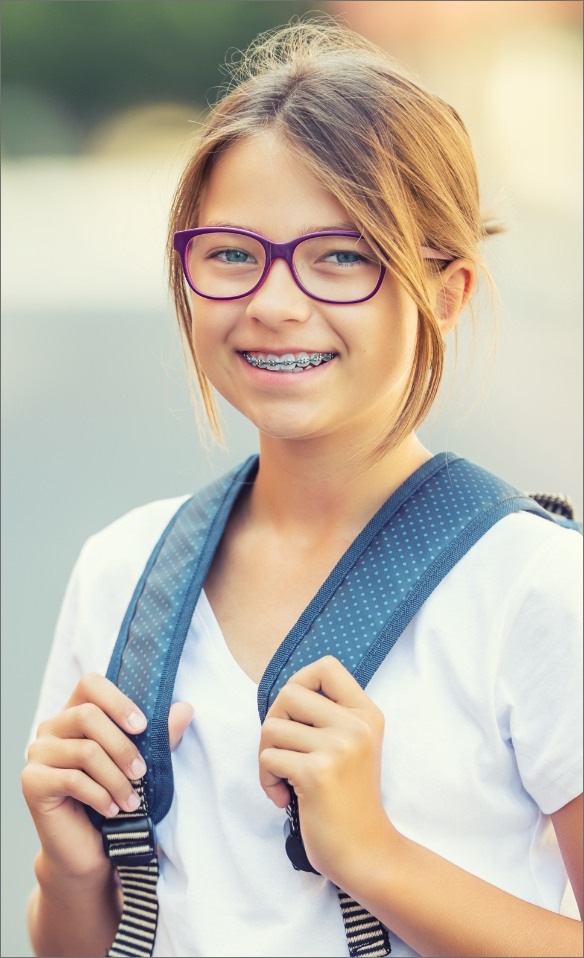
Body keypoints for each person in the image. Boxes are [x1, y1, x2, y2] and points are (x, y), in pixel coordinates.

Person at [22, 16, 582, 958]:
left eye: (343, 258)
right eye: (233, 254)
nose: (275, 303)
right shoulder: (122, 575)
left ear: (446, 292)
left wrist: (375, 856)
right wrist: (69, 870)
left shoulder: (537, 590)